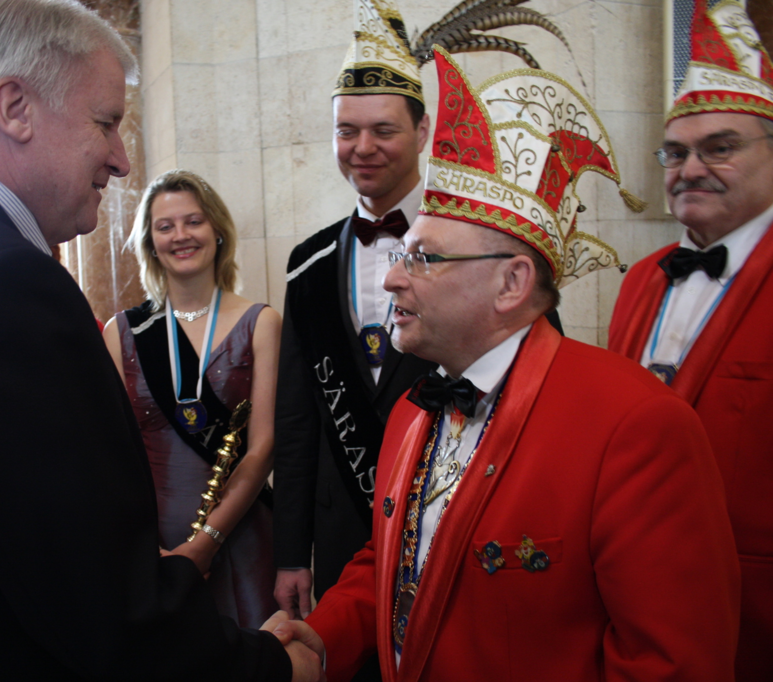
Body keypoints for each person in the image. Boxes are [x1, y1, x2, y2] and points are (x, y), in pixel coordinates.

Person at [0, 0, 322, 680]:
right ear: (15, 107)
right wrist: (273, 667)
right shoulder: (2, 283)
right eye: (105, 123)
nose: (121, 160)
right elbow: (98, 604)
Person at [273, 46, 741, 681]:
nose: (392, 281)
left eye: (424, 259)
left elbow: (673, 662)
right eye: (403, 256)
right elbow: (395, 559)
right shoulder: (415, 411)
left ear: (512, 283)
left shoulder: (635, 427)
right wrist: (319, 642)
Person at [608, 2, 773, 678]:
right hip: (632, 605)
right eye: (675, 153)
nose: (691, 168)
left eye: (720, 148)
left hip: (754, 618)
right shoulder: (640, 279)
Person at [272, 4, 436, 666]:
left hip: (442, 516)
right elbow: (296, 421)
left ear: (422, 131)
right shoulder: (307, 264)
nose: (362, 148)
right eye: (346, 131)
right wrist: (291, 552)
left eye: (383, 130)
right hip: (342, 533)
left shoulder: (472, 247)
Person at [103, 169, 281, 628]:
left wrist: (206, 543)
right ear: (151, 242)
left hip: (240, 534)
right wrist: (145, 545)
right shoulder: (122, 332)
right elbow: (112, 453)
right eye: (165, 226)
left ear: (217, 230)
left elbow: (262, 448)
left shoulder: (262, 322)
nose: (181, 235)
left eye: (194, 221)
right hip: (152, 544)